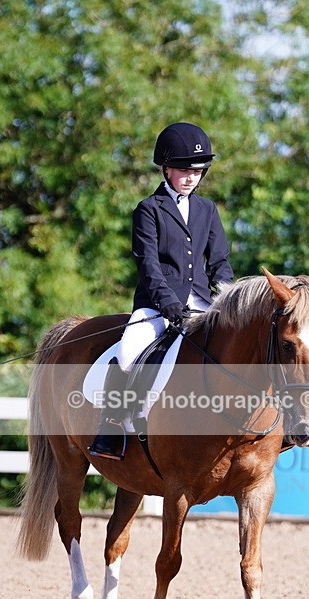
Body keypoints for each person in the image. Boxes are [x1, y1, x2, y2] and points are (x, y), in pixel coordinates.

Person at [88, 121, 234, 460]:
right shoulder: (149, 209)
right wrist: (167, 302)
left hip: (203, 304)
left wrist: (226, 299)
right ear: (166, 168)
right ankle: (110, 427)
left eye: (197, 171)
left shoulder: (207, 209)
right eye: (184, 169)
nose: (191, 177)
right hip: (157, 305)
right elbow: (148, 264)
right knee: (128, 352)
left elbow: (220, 261)